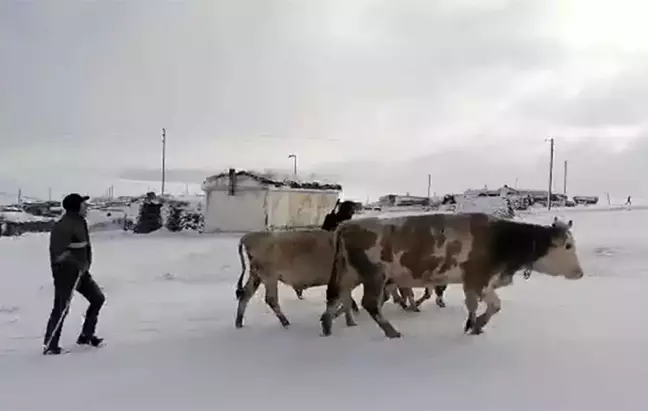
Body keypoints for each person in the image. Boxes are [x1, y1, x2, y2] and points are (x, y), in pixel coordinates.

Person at [43, 193, 106, 355]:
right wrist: (73, 263)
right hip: (66, 273)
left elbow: (84, 246)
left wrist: (85, 263)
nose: (86, 207)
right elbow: (58, 253)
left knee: (97, 298)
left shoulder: (80, 222)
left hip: (81, 272)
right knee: (62, 307)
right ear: (76, 207)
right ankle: (51, 344)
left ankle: (86, 335)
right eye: (83, 205)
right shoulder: (63, 225)